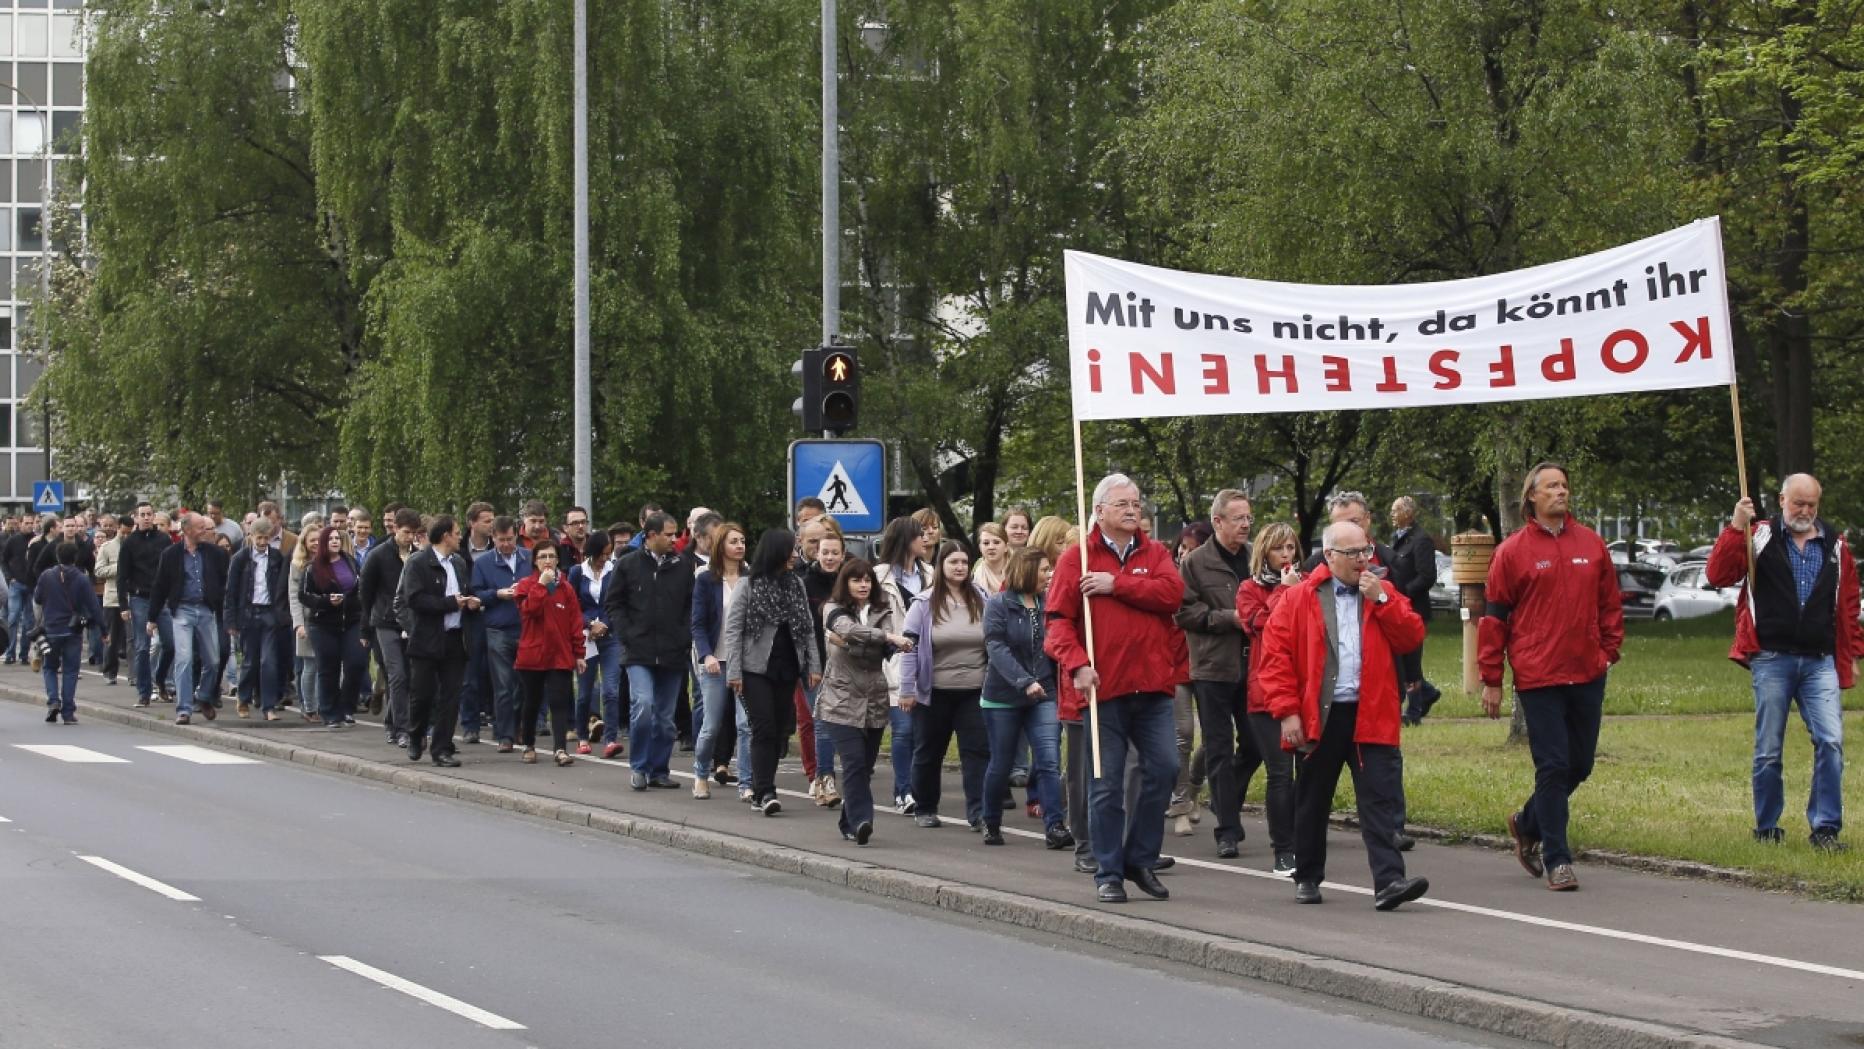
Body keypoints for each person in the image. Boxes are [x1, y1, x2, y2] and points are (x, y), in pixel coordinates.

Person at [1257, 520, 1431, 910]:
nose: (1362, 560)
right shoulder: (1300, 597)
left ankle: (1389, 881)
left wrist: (1382, 600)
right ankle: (1307, 876)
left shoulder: (1382, 591)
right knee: (1313, 798)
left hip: (1371, 711)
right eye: (1352, 553)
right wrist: (1287, 712)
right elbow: (1275, 658)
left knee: (1379, 799)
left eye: (1365, 551)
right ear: (1330, 555)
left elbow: (1411, 636)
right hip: (1322, 714)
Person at [1479, 462, 1623, 891]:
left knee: (1580, 764)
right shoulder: (1512, 551)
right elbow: (1494, 619)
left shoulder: (1591, 544)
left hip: (1587, 671)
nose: (1561, 491)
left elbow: (1610, 603)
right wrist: (1491, 678)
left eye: (1564, 485)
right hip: (1539, 675)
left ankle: (1527, 822)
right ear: (1532, 496)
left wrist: (1608, 651)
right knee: (1554, 766)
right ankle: (1557, 859)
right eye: (1552, 486)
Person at [1045, 473, 1187, 905]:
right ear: (1099, 511)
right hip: (1103, 691)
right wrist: (1077, 665)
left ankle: (1139, 858)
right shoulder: (1077, 559)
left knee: (1164, 769)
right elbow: (1057, 624)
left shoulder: (1155, 552)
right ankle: (1108, 872)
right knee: (1105, 783)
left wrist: (1116, 585)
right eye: (1123, 503)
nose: (1132, 510)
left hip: (1153, 686)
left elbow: (1172, 594)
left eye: (1136, 503)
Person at [1707, 474, 1858, 852]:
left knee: (1831, 741)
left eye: (1811, 505)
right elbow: (1718, 574)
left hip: (1819, 660)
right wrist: (1735, 527)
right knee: (1769, 748)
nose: (1804, 511)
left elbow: (1847, 604)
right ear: (1781, 501)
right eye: (1798, 504)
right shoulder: (1758, 536)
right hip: (1772, 657)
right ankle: (1767, 827)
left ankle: (1825, 829)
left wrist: (1852, 653)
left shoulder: (1835, 545)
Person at [1176, 489, 1260, 860]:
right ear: (1218, 521)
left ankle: (1224, 800)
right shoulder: (1196, 562)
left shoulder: (1256, 556)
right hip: (1213, 667)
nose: (1245, 524)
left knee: (1257, 743)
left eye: (1248, 518)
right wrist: (1229, 619)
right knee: (1219, 748)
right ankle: (1227, 830)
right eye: (1238, 518)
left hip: (1255, 665)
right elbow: (1184, 613)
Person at [722, 529, 822, 815]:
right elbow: (733, 630)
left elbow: (806, 629)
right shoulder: (748, 584)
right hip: (755, 668)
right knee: (763, 727)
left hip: (787, 666)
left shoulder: (796, 584)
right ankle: (765, 791)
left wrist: (813, 665)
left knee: (778, 731)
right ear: (776, 552)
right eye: (790, 550)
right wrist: (734, 672)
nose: (795, 555)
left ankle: (761, 786)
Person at [898, 540, 993, 831]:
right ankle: (925, 807)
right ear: (941, 565)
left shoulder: (983, 598)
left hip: (975, 691)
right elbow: (909, 648)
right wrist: (907, 689)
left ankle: (979, 812)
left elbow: (994, 640)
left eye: (964, 562)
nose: (960, 567)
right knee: (929, 751)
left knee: (977, 752)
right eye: (953, 562)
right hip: (934, 691)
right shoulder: (924, 603)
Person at [818, 558, 912, 844]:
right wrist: (885, 637)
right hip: (839, 699)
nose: (863, 585)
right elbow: (848, 630)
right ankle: (862, 821)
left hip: (874, 698)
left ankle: (848, 821)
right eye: (856, 580)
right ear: (845, 583)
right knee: (855, 762)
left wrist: (882, 643)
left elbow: (880, 650)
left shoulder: (882, 610)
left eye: (867, 580)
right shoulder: (832, 608)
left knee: (865, 766)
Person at [982, 549, 1070, 848]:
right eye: (1044, 569)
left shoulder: (1050, 604)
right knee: (1001, 764)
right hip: (1003, 697)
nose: (1049, 575)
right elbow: (996, 648)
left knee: (1048, 760)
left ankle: (1055, 825)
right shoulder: (998, 604)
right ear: (1027, 570)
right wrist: (1024, 681)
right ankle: (991, 821)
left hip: (1044, 694)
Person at [606, 510, 695, 791]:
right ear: (651, 535)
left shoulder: (683, 565)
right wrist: (627, 634)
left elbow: (691, 605)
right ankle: (639, 766)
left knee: (665, 718)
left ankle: (658, 769)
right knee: (643, 705)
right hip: (638, 650)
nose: (674, 539)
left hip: (672, 651)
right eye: (668, 535)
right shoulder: (628, 564)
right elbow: (614, 603)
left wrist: (684, 636)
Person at [1232, 521, 1302, 876]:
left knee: (1309, 772)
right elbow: (1260, 624)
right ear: (1265, 552)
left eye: (1291, 548)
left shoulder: (1306, 583)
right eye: (1279, 548)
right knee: (1280, 772)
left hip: (1304, 690)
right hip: (1265, 693)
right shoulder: (1249, 589)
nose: (1286, 555)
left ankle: (1304, 840)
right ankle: (1283, 850)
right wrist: (1284, 592)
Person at [395, 515, 478, 766]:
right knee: (422, 694)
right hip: (427, 638)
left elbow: (464, 592)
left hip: (455, 638)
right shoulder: (418, 562)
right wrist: (450, 603)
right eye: (456, 533)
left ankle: (442, 748)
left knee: (451, 696)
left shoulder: (459, 563)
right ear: (445, 536)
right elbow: (414, 599)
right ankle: (416, 734)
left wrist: (470, 602)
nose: (460, 537)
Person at [147, 513, 231, 725]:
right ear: (187, 530)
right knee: (183, 659)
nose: (205, 531)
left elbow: (224, 582)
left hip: (206, 609)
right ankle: (184, 708)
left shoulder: (215, 554)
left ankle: (204, 696)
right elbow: (160, 585)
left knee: (213, 660)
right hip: (182, 610)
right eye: (200, 527)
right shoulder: (171, 554)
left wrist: (222, 606)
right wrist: (152, 617)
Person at [874, 515, 932, 813]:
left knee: (922, 733)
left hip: (928, 659)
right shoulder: (879, 576)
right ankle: (904, 792)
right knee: (903, 729)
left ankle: (912, 789)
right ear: (905, 539)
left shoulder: (931, 574)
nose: (926, 539)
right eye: (920, 534)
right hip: (895, 661)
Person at [514, 541, 586, 766]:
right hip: (533, 654)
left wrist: (579, 653)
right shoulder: (526, 585)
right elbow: (529, 610)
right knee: (532, 701)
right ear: (535, 561)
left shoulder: (566, 588)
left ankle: (560, 749)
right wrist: (541, 586)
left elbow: (575, 622)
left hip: (559, 654)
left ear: (557, 560)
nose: (547, 561)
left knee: (559, 702)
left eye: (551, 556)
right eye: (542, 557)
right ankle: (528, 745)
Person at [690, 521, 748, 798]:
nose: (740, 546)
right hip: (715, 662)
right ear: (721, 545)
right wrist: (707, 655)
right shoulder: (706, 579)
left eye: (743, 541)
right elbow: (698, 623)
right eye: (734, 541)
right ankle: (701, 774)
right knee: (711, 726)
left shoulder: (751, 577)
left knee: (745, 724)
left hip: (744, 662)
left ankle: (747, 784)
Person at [299, 526, 370, 731]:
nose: (335, 541)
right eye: (330, 539)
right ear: (324, 543)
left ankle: (347, 707)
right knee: (328, 668)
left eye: (337, 538)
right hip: (323, 624)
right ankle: (329, 712)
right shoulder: (313, 568)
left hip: (352, 620)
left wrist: (356, 603)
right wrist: (326, 601)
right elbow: (304, 596)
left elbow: (361, 588)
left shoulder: (350, 562)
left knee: (356, 663)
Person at [361, 508, 422, 746]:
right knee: (396, 674)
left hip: (410, 621)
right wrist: (366, 627)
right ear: (395, 528)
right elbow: (366, 593)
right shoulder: (378, 555)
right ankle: (402, 728)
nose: (410, 537)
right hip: (385, 621)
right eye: (406, 532)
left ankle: (392, 721)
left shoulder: (418, 555)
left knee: (408, 675)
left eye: (414, 533)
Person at [472, 517, 532, 752]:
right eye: (501, 540)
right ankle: (505, 735)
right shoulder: (483, 563)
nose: (506, 544)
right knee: (503, 684)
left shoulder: (529, 558)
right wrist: (497, 594)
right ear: (493, 538)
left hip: (526, 627)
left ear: (516, 536)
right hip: (498, 629)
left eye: (510, 539)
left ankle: (519, 726)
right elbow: (476, 594)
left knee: (524, 684)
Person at [225, 518, 289, 720]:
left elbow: (282, 588)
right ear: (251, 537)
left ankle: (268, 706)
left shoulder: (276, 558)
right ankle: (243, 698)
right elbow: (231, 591)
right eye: (259, 538)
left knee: (268, 661)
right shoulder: (240, 558)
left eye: (266, 538)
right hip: (248, 613)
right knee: (250, 661)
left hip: (269, 613)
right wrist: (231, 620)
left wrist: (281, 615)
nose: (262, 542)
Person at [35, 541, 103, 724]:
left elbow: (38, 598)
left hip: (51, 629)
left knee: (50, 667)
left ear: (57, 557)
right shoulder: (81, 578)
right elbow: (94, 606)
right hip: (73, 630)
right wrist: (103, 630)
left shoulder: (46, 575)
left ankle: (53, 701)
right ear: (75, 558)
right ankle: (68, 712)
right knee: (71, 671)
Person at [568, 530, 623, 759]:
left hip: (611, 638)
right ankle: (582, 736)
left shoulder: (615, 570)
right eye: (602, 554)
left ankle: (611, 739)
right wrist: (590, 624)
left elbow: (618, 602)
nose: (605, 558)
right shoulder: (577, 572)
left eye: (608, 554)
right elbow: (571, 604)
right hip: (585, 638)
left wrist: (605, 625)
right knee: (585, 692)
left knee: (611, 690)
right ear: (592, 552)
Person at [1389, 496, 1443, 724]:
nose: (1392, 514)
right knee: (1401, 658)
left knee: (1411, 657)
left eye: (1396, 510)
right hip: (1398, 607)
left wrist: (1405, 592)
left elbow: (1427, 576)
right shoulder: (1398, 538)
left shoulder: (1421, 540)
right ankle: (1427, 693)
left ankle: (1414, 711)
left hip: (1414, 608)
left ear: (1408, 513)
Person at [803, 529, 846, 806]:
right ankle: (825, 779)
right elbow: (802, 630)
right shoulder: (806, 584)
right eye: (825, 552)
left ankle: (852, 778)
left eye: (834, 553)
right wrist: (810, 665)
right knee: (822, 723)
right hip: (816, 665)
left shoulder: (851, 582)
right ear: (816, 554)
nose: (829, 558)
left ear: (843, 555)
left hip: (848, 664)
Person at [287, 511, 325, 723]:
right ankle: (310, 707)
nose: (316, 544)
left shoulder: (329, 561)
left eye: (319, 540)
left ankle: (323, 705)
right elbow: (294, 597)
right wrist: (298, 624)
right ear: (304, 542)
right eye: (312, 540)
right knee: (310, 665)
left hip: (326, 620)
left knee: (326, 666)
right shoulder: (297, 565)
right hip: (307, 621)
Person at [94, 515, 126, 686]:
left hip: (133, 596)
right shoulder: (107, 547)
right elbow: (98, 571)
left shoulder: (135, 545)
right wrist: (118, 567)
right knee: (112, 637)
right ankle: (109, 671)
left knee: (133, 640)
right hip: (113, 598)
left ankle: (135, 674)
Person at [974, 522, 1012, 593]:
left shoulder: (1018, 570)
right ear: (980, 547)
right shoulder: (976, 575)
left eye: (996, 542)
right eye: (986, 543)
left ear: (1006, 547)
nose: (991, 547)